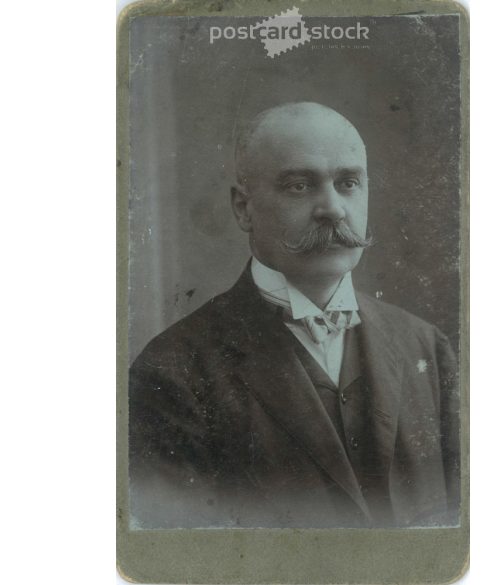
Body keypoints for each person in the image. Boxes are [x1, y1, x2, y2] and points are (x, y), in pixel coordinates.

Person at [129, 102, 460, 529]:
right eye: (300, 186)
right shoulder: (170, 373)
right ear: (243, 208)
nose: (333, 209)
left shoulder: (427, 347)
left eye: (348, 183)